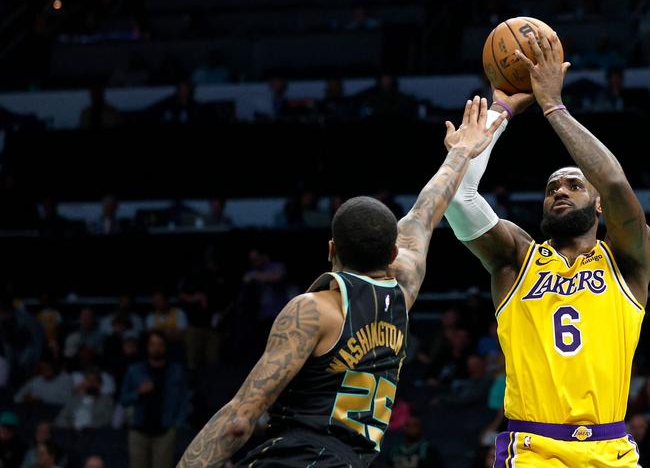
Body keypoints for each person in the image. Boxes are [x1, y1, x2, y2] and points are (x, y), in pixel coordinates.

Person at [177, 97, 507, 467]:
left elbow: (239, 421)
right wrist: (466, 146)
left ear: (331, 248)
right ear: (393, 256)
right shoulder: (403, 293)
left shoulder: (313, 310)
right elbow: (426, 210)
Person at [444, 28, 647, 466]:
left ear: (597, 206)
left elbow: (614, 182)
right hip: (533, 449)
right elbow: (458, 199)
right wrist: (500, 111)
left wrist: (553, 106)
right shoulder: (517, 258)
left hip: (611, 450)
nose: (559, 190)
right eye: (552, 186)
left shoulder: (628, 259)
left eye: (574, 184)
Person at [120, 331, 188, 468]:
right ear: (147, 347)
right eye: (152, 344)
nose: (156, 348)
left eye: (160, 344)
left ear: (165, 347)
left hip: (165, 431)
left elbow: (184, 400)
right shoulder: (135, 370)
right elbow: (123, 399)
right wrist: (138, 392)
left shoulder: (176, 371)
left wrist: (177, 424)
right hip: (138, 430)